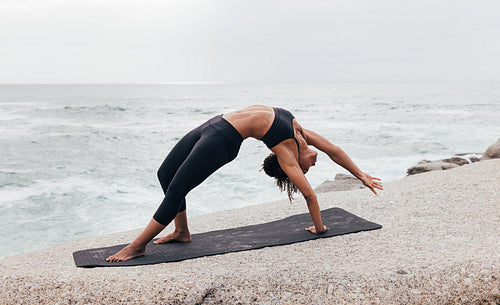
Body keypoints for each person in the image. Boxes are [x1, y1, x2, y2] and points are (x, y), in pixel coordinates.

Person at [106, 105, 383, 262]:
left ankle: (138, 245)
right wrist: (361, 174)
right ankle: (182, 232)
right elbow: (335, 150)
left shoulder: (287, 152)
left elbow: (309, 196)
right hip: (214, 123)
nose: (315, 163)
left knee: (178, 189)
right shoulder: (301, 132)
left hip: (223, 141)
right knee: (164, 175)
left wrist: (319, 228)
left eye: (307, 169)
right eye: (310, 166)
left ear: (294, 166)